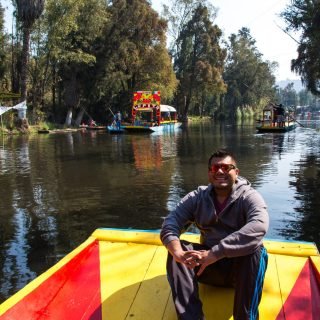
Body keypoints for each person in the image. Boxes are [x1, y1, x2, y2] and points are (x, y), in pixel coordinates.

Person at [160, 149, 269, 320]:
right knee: (178, 249)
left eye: (226, 168)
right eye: (215, 168)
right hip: (207, 269)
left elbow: (259, 226)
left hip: (239, 271)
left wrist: (216, 253)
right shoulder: (197, 197)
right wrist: (179, 253)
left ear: (236, 172)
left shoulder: (249, 197)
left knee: (255, 250)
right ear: (209, 172)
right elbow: (170, 223)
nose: (219, 171)